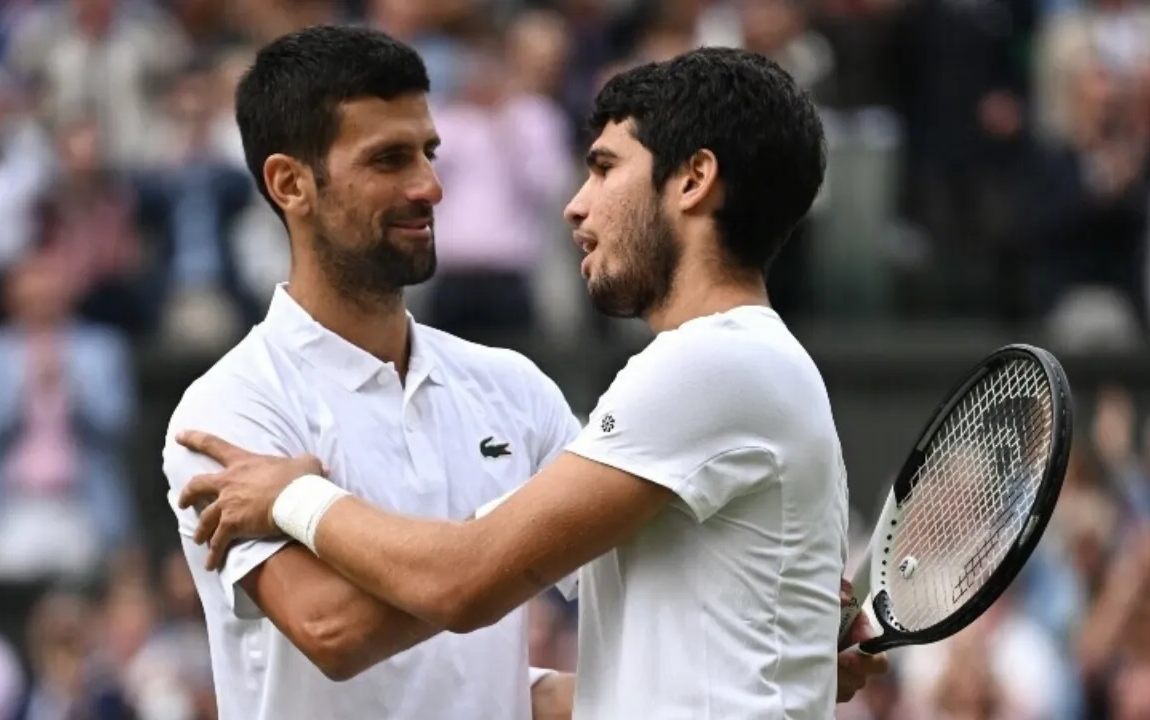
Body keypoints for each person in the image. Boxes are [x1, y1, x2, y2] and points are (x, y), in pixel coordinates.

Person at [174, 41, 887, 718]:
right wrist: (762, 644)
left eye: (429, 153)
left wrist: (293, 496)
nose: (430, 186)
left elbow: (472, 578)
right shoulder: (228, 409)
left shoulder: (528, 389)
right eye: (390, 159)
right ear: (289, 184)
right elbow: (333, 628)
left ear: (695, 180)